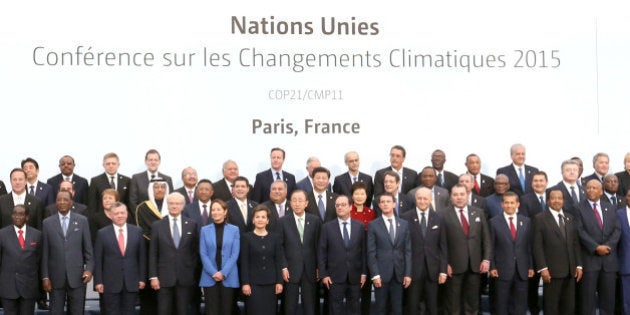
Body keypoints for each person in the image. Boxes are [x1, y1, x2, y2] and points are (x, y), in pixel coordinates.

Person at [41, 190, 93, 315]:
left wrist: (89, 270)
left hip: (77, 278)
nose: (62, 202)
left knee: (76, 312)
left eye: (65, 199)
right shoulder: (47, 223)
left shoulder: (82, 221)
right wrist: (45, 276)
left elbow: (89, 251)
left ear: (71, 203)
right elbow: (45, 254)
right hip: (55, 278)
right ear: (55, 203)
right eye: (59, 200)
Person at [442, 184, 492, 315]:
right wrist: (444, 264)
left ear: (467, 195)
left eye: (462, 194)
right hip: (453, 267)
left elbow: (486, 239)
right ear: (451, 197)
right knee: (453, 304)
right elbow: (440, 243)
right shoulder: (442, 214)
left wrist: (486, 259)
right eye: (455, 194)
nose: (459, 197)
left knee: (472, 302)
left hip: (475, 266)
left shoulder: (478, 212)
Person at [532, 188, 583, 315]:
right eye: (553, 198)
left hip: (570, 272)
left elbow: (575, 244)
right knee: (551, 308)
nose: (557, 201)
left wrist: (578, 265)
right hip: (551, 272)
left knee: (568, 308)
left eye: (560, 198)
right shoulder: (539, 218)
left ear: (564, 201)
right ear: (548, 201)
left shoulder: (570, 218)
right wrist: (543, 268)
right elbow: (537, 245)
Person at [149, 192, 199, 315]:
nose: (174, 206)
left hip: (185, 277)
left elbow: (195, 251)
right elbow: (153, 253)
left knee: (183, 311)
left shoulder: (192, 224)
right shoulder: (157, 225)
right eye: (171, 203)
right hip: (163, 277)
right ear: (167, 205)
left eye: (177, 203)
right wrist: (153, 276)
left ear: (183, 205)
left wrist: (191, 270)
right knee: (163, 311)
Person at [575, 179, 620, 315]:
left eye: (595, 188)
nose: (591, 190)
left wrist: (607, 246)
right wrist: (595, 247)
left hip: (609, 262)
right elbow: (579, 231)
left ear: (601, 191)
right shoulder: (578, 208)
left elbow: (617, 230)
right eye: (588, 188)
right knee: (588, 302)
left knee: (608, 301)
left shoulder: (610, 207)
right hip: (589, 261)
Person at [400, 187, 447, 315]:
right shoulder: (404, 217)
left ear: (431, 200)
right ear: (415, 200)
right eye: (419, 198)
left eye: (425, 198)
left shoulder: (439, 218)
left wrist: (443, 270)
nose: (422, 201)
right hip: (413, 270)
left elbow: (443, 246)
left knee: (432, 306)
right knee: (412, 306)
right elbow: (402, 246)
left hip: (433, 270)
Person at [93, 202, 146, 315]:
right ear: (110, 216)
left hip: (131, 282)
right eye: (116, 213)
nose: (120, 215)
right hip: (110, 283)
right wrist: (98, 281)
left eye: (122, 212)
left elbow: (141, 257)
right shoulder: (102, 233)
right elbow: (98, 260)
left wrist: (142, 278)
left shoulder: (137, 232)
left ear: (127, 214)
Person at [318, 195, 367, 315]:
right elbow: (321, 252)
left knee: (354, 308)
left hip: (355, 276)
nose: (340, 207)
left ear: (351, 207)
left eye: (343, 205)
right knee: (335, 309)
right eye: (337, 205)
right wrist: (324, 274)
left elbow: (364, 252)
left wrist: (364, 272)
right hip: (334, 277)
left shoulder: (360, 226)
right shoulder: (327, 227)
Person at [488, 192, 534, 315]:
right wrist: (492, 266)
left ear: (517, 204)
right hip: (502, 270)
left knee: (520, 306)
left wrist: (530, 266)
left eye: (512, 202)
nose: (509, 205)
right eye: (506, 203)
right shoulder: (493, 222)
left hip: (522, 270)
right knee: (501, 305)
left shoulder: (526, 221)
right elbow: (490, 246)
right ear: (502, 204)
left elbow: (529, 246)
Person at [367, 192, 412, 315]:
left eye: (388, 201)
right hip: (381, 275)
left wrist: (408, 274)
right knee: (381, 308)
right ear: (379, 205)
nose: (385, 204)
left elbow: (407, 250)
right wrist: (375, 275)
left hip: (399, 274)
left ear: (394, 204)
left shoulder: (403, 224)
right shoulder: (373, 225)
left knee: (397, 309)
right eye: (382, 202)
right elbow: (371, 252)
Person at [279, 189, 322, 315]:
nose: (297, 204)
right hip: (290, 270)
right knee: (289, 307)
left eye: (300, 200)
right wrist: (283, 266)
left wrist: (319, 267)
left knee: (310, 307)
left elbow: (319, 246)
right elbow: (279, 246)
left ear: (306, 203)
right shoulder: (282, 222)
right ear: (290, 203)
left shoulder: (315, 221)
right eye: (294, 201)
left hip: (310, 269)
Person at [240, 205, 284, 315]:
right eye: (257, 217)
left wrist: (279, 282)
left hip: (271, 283)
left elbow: (279, 261)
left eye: (263, 217)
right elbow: (244, 262)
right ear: (253, 220)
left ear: (268, 220)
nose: (260, 219)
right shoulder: (246, 237)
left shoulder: (275, 237)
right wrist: (245, 283)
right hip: (253, 284)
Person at [199, 199, 240, 315]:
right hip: (209, 276)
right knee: (211, 310)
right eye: (213, 210)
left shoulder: (234, 230)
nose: (215, 212)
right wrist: (213, 272)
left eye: (218, 209)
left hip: (228, 276)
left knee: (226, 310)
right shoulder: (204, 230)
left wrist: (223, 272)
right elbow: (203, 253)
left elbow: (234, 254)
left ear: (225, 212)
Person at [135, 179, 169, 315]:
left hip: (169, 258)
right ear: (151, 189)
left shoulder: (173, 205)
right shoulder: (142, 208)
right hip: (150, 254)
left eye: (162, 187)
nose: (160, 189)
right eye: (156, 187)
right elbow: (143, 231)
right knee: (149, 299)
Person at [0, 205, 42, 315]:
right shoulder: (2, 234)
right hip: (8, 288)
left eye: (21, 214)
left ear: (27, 217)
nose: (17, 217)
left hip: (28, 288)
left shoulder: (37, 235)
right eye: (15, 214)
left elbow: (38, 259)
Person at [349, 181, 375, 314]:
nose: (359, 196)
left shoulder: (372, 213)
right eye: (356, 193)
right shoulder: (347, 211)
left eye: (362, 194)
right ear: (352, 196)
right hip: (352, 257)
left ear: (366, 196)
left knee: (366, 292)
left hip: (368, 255)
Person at [87, 152, 132, 222]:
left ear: (118, 165)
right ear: (103, 165)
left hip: (122, 219)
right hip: (102, 220)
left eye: (113, 163)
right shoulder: (95, 181)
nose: (111, 166)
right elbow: (92, 205)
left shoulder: (127, 180)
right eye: (108, 164)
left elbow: (129, 203)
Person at [616, 188, 630, 315]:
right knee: (626, 300)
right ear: (626, 198)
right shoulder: (618, 214)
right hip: (625, 265)